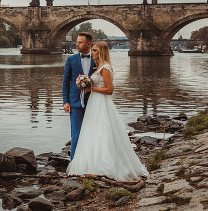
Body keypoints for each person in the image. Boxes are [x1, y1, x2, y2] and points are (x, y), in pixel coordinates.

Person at [67, 42, 148, 181]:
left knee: (103, 132)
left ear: (102, 52)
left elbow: (110, 90)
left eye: (95, 51)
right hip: (94, 103)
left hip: (102, 103)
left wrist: (90, 89)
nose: (92, 53)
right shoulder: (98, 67)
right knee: (93, 132)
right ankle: (92, 163)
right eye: (92, 50)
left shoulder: (105, 67)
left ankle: (106, 166)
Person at [62, 32, 95, 160]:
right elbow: (66, 82)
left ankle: (90, 160)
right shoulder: (71, 59)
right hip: (75, 102)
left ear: (88, 43)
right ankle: (74, 162)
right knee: (76, 134)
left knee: (92, 132)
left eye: (80, 42)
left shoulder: (96, 59)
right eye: (77, 42)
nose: (77, 44)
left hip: (93, 102)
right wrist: (66, 101)